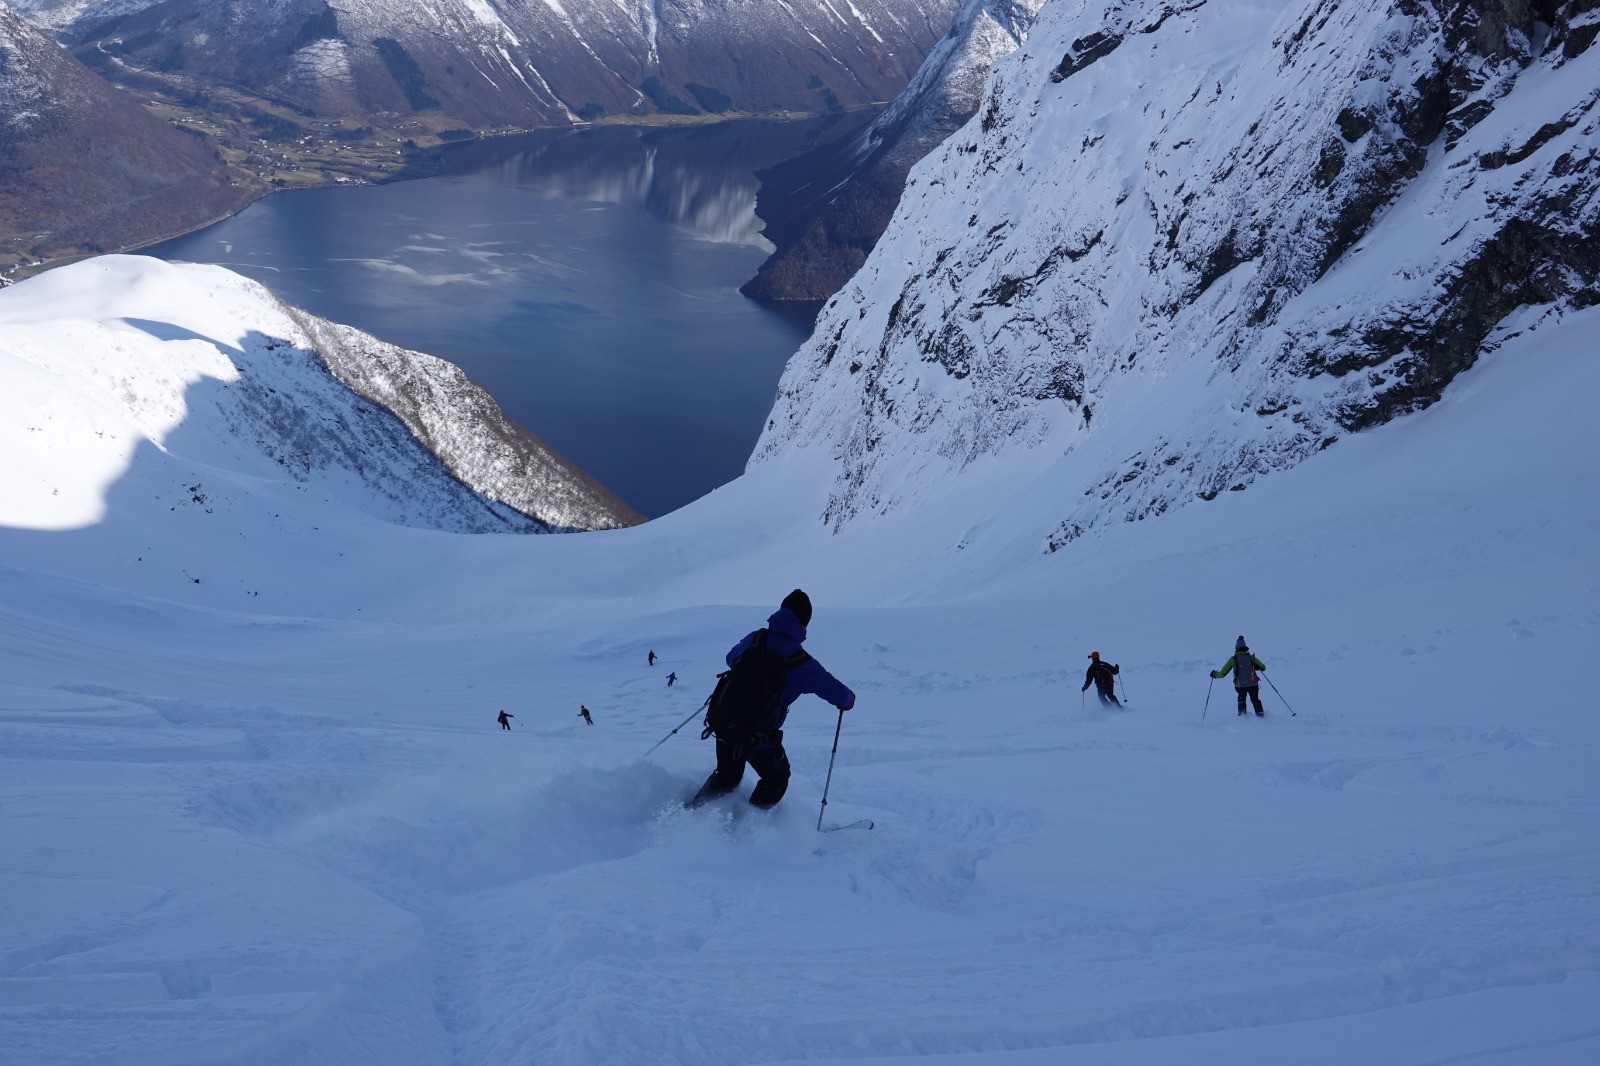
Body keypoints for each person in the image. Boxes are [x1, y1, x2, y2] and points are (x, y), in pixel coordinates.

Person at [690, 589, 856, 810]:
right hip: (759, 737)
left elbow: (731, 659)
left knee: (726, 778)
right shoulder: (801, 662)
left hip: (725, 724)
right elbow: (838, 693)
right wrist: (848, 700)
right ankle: (747, 833)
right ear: (804, 623)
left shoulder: (755, 638)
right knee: (776, 778)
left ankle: (690, 815)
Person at [1212, 636, 1267, 716]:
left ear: (1236, 648)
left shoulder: (1233, 659)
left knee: (1241, 700)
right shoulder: (1251, 657)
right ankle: (1261, 716)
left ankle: (1242, 718)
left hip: (1240, 685)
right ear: (1245, 647)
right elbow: (1263, 667)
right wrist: (1256, 666)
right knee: (1255, 700)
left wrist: (1214, 674)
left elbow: (1223, 674)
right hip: (1253, 684)